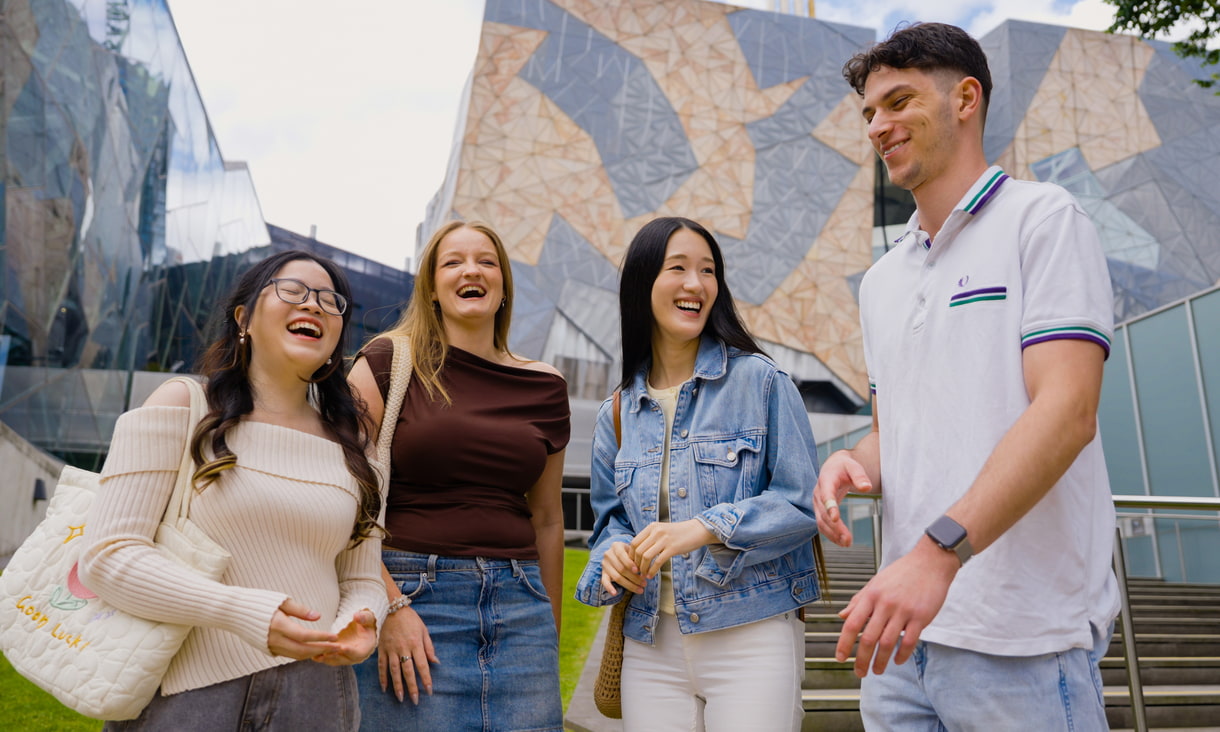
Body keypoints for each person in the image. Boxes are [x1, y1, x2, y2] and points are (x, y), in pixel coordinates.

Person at [814, 22, 1119, 730]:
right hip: (903, 655)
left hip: (1022, 645)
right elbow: (896, 435)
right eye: (868, 114)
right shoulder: (881, 282)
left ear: (966, 99)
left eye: (897, 102)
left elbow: (1069, 409)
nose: (878, 127)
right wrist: (851, 462)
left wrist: (938, 553)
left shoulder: (1043, 220)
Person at [79, 250, 388, 730]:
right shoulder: (185, 404)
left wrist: (360, 619)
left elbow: (362, 579)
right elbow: (107, 555)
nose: (314, 305)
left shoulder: (357, 445)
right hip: (186, 696)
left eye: (330, 300)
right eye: (292, 291)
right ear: (243, 317)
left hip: (318, 696)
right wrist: (246, 613)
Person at [575, 216, 821, 731]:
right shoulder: (616, 413)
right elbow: (608, 525)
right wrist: (614, 557)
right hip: (650, 645)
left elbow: (803, 504)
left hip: (750, 634)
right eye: (679, 267)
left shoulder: (763, 382)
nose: (696, 284)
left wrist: (706, 527)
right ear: (643, 284)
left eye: (708, 271)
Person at [348, 220, 569, 731]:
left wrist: (548, 632)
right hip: (415, 600)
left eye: (486, 261)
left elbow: (548, 519)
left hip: (522, 608)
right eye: (453, 262)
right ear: (431, 287)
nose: (471, 270)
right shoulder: (385, 362)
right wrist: (390, 607)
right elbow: (345, 501)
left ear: (503, 285)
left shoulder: (547, 385)